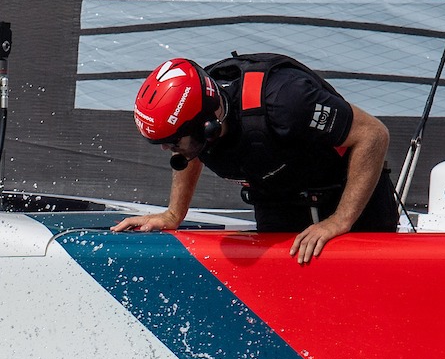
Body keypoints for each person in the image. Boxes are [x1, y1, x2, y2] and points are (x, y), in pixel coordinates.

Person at [111, 54, 394, 263]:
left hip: (349, 200)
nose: (168, 150)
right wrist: (174, 214)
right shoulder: (202, 120)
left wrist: (340, 220)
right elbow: (190, 152)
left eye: (173, 141)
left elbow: (373, 135)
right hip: (278, 202)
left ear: (208, 124)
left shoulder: (286, 100)